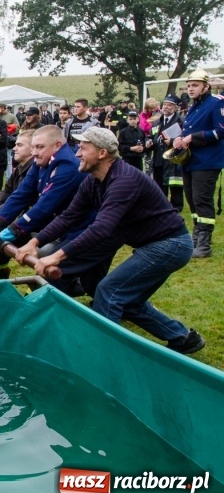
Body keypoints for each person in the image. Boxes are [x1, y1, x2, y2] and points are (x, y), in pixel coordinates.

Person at [16, 127, 205, 355]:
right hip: (156, 245)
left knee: (109, 292)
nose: (76, 153)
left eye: (83, 148)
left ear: (102, 153)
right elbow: (69, 216)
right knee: (129, 301)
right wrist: (34, 244)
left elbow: (102, 228)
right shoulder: (93, 181)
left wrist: (55, 257)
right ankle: (183, 339)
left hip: (170, 245)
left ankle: (106, 356)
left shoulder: (124, 180)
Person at [0, 125, 90, 284]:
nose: (34, 152)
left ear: (57, 145)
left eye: (40, 147)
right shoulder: (41, 161)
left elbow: (44, 207)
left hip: (79, 230)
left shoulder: (69, 167)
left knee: (52, 271)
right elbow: (20, 195)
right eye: (34, 147)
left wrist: (10, 232)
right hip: (56, 224)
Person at [172, 68, 224, 258]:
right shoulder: (193, 106)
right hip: (190, 161)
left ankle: (205, 243)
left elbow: (220, 131)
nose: (190, 89)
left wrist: (192, 137)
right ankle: (196, 236)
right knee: (192, 201)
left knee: (202, 201)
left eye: (195, 85)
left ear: (206, 86)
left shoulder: (216, 104)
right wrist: (180, 138)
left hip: (208, 161)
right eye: (189, 85)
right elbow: (187, 130)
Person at [149, 94, 184, 211]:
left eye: (169, 105)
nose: (166, 107)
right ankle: (162, 208)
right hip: (158, 159)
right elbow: (150, 136)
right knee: (159, 186)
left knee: (175, 186)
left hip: (174, 161)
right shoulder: (156, 122)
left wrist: (172, 141)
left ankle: (176, 209)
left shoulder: (181, 121)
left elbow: (185, 140)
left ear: (175, 107)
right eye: (164, 104)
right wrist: (148, 142)